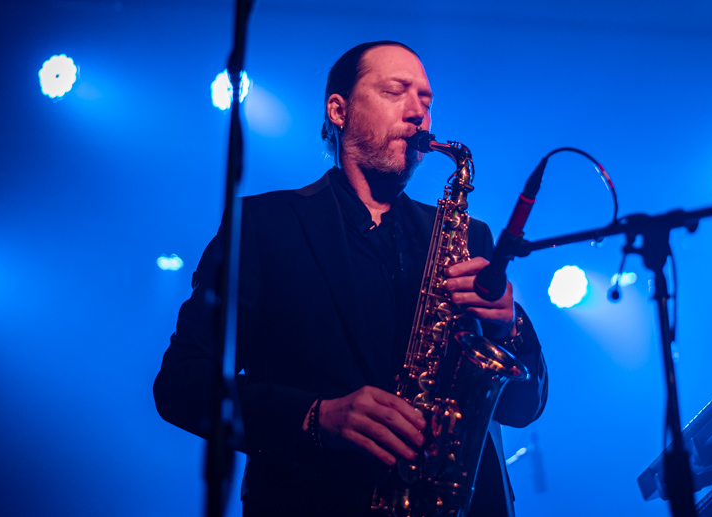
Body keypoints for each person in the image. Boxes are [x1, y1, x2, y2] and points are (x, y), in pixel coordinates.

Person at [154, 41, 548, 517]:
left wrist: (510, 326)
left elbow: (523, 407)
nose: (418, 113)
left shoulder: (470, 236)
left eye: (425, 100)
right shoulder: (262, 225)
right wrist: (315, 416)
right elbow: (181, 382)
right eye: (395, 91)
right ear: (338, 110)